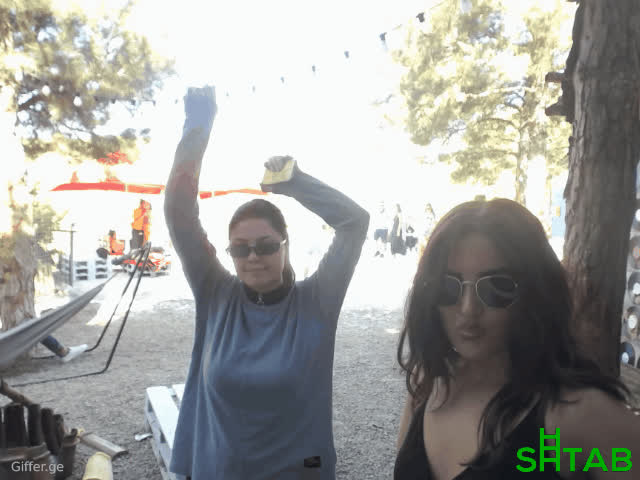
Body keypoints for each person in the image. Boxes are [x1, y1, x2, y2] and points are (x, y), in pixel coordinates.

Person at [164, 86, 369, 480]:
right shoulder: (216, 294)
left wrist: (296, 183)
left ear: (285, 246)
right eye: (240, 249)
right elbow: (178, 212)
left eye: (266, 246)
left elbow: (354, 222)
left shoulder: (317, 302)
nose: (253, 257)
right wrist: (198, 123)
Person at [394, 198, 639, 479]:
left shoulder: (575, 414)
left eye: (496, 287)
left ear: (536, 293)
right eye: (447, 287)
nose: (468, 309)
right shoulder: (426, 383)